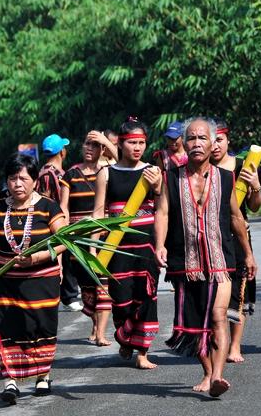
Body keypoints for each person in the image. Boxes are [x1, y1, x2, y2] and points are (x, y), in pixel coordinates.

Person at [155, 117, 257, 396]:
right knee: (194, 324)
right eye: (191, 138)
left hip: (220, 259)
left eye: (202, 138)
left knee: (218, 315)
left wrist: (248, 254)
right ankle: (208, 372)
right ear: (183, 144)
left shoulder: (226, 177)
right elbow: (162, 213)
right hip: (185, 261)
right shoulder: (170, 177)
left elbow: (237, 218)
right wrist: (160, 245)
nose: (197, 143)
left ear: (213, 143)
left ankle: (218, 376)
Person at [0, 153, 66, 404]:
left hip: (42, 279)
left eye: (23, 178)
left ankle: (43, 376)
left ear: (35, 181)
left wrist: (36, 258)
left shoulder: (49, 207)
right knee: (9, 328)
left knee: (41, 326)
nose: (17, 184)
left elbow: (63, 242)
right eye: (12, 178)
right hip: (8, 280)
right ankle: (11, 381)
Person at [92, 117, 163, 369]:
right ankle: (124, 334)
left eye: (142, 142)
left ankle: (143, 352)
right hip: (116, 246)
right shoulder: (106, 173)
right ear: (120, 144)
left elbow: (162, 210)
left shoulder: (153, 172)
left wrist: (157, 189)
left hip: (146, 245)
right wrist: (93, 249)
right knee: (121, 298)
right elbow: (99, 213)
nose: (137, 148)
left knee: (146, 296)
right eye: (132, 142)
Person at [211, 119, 261, 363]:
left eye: (219, 139)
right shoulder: (202, 167)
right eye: (210, 140)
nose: (214, 146)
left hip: (239, 235)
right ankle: (215, 344)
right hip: (211, 236)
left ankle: (235, 346)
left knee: (239, 290)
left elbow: (254, 206)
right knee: (214, 290)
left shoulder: (243, 166)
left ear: (227, 140)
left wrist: (255, 187)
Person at [60, 132, 113, 346]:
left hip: (104, 237)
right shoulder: (71, 175)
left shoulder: (109, 172)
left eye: (95, 145)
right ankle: (94, 320)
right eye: (87, 144)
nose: (90, 148)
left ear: (102, 150)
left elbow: (124, 164)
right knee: (86, 287)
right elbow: (64, 206)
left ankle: (100, 333)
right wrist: (63, 232)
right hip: (77, 238)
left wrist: (107, 141)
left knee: (103, 284)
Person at [36, 133, 82, 312]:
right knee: (65, 259)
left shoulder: (48, 172)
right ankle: (69, 296)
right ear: (61, 152)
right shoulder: (50, 174)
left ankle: (68, 295)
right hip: (55, 221)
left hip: (58, 220)